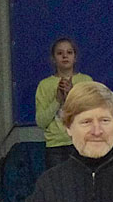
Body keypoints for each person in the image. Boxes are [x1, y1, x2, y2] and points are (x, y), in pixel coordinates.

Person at [35, 37, 93, 170]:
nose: (65, 56)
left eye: (69, 52)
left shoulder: (86, 81)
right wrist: (57, 101)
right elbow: (41, 122)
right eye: (60, 53)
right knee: (59, 182)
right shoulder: (44, 85)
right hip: (56, 146)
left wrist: (73, 95)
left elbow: (91, 114)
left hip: (82, 141)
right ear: (53, 59)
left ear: (75, 57)